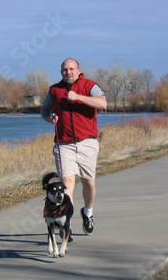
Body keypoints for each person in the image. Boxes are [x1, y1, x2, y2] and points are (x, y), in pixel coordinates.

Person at [41, 58, 107, 236]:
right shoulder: (54, 90)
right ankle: (66, 223)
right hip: (63, 144)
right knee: (67, 183)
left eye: (71, 69)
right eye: (64, 70)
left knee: (89, 183)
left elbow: (103, 103)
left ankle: (88, 212)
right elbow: (44, 110)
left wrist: (78, 97)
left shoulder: (89, 85)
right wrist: (50, 118)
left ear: (79, 70)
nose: (67, 72)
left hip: (87, 142)